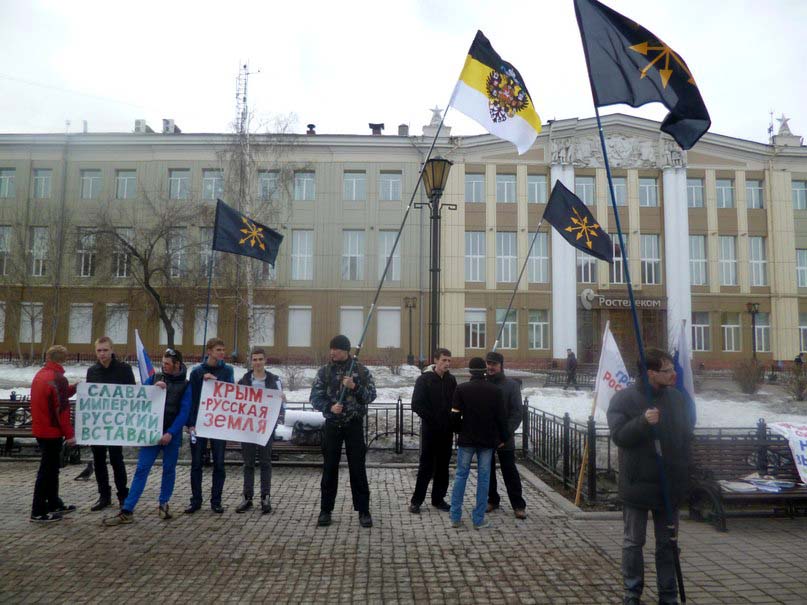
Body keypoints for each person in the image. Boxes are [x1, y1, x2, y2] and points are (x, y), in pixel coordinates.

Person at [607, 348, 693, 605]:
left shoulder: (677, 399)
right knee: (634, 542)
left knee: (668, 543)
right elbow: (619, 436)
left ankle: (668, 594)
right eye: (667, 370)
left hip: (669, 483)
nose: (673, 374)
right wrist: (643, 422)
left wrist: (684, 471)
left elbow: (685, 436)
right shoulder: (624, 399)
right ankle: (632, 592)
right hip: (638, 483)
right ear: (651, 373)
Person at [102, 348, 192, 526]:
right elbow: (140, 397)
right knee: (142, 469)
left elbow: (184, 411)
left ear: (177, 365)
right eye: (163, 363)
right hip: (151, 432)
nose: (164, 367)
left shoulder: (186, 385)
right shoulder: (156, 378)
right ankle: (127, 509)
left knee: (169, 469)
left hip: (170, 434)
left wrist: (171, 433)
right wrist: (152, 388)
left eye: (167, 364)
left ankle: (164, 503)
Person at [310, 335, 377, 528]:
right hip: (332, 426)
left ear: (346, 351)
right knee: (329, 468)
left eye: (336, 349)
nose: (332, 352)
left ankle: (363, 510)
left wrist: (354, 386)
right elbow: (314, 397)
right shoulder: (324, 372)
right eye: (331, 349)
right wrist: (330, 407)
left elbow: (371, 396)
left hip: (354, 425)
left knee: (358, 469)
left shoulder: (361, 371)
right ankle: (326, 510)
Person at [449, 357, 508, 530]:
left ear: (469, 371)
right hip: (487, 441)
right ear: (484, 371)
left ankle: (455, 517)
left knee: (460, 476)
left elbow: (454, 416)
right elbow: (501, 418)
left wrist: (461, 430)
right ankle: (478, 519)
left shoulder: (461, 389)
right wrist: (503, 438)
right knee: (484, 479)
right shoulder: (495, 391)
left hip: (467, 440)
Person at [186, 337, 235, 514]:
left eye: (223, 350)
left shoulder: (227, 370)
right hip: (199, 423)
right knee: (197, 463)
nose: (222, 353)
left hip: (218, 423)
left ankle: (216, 501)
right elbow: (191, 398)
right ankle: (196, 500)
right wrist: (190, 423)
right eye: (218, 350)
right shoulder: (197, 372)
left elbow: (231, 393)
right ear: (209, 352)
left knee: (219, 463)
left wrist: (216, 382)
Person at [29, 345, 78, 523]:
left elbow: (55, 397)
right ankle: (38, 510)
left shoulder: (41, 374)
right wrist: (69, 435)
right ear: (62, 359)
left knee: (51, 469)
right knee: (47, 471)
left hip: (40, 429)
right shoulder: (58, 378)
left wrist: (72, 388)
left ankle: (54, 502)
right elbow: (62, 410)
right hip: (52, 431)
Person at [86, 336, 134, 511]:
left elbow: (132, 395)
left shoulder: (124, 369)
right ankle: (103, 495)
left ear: (112, 350)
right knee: (98, 460)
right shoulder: (92, 371)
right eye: (99, 350)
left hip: (117, 423)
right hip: (98, 424)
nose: (102, 353)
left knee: (116, 459)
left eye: (105, 350)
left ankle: (123, 495)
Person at [235, 347, 285, 515]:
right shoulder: (244, 380)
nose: (257, 363)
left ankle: (265, 496)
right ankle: (247, 497)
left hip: (265, 428)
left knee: (265, 463)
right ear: (251, 361)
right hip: (248, 427)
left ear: (265, 361)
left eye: (260, 359)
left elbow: (280, 404)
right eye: (254, 359)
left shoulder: (274, 380)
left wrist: (280, 406)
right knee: (248, 463)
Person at [409, 348, 457, 514]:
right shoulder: (424, 380)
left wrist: (453, 419)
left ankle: (438, 499)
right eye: (444, 360)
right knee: (426, 466)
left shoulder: (451, 380)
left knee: (443, 467)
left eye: (449, 361)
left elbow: (455, 403)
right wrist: (432, 418)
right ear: (436, 360)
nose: (447, 363)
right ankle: (416, 501)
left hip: (447, 430)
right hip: (430, 430)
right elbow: (416, 404)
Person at [485, 351, 527, 519]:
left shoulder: (511, 386)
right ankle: (492, 500)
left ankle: (518, 505)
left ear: (501, 366)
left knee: (510, 471)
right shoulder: (484, 383)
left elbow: (517, 413)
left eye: (494, 364)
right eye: (488, 363)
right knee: (487, 471)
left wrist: (504, 435)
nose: (490, 367)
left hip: (505, 438)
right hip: (487, 436)